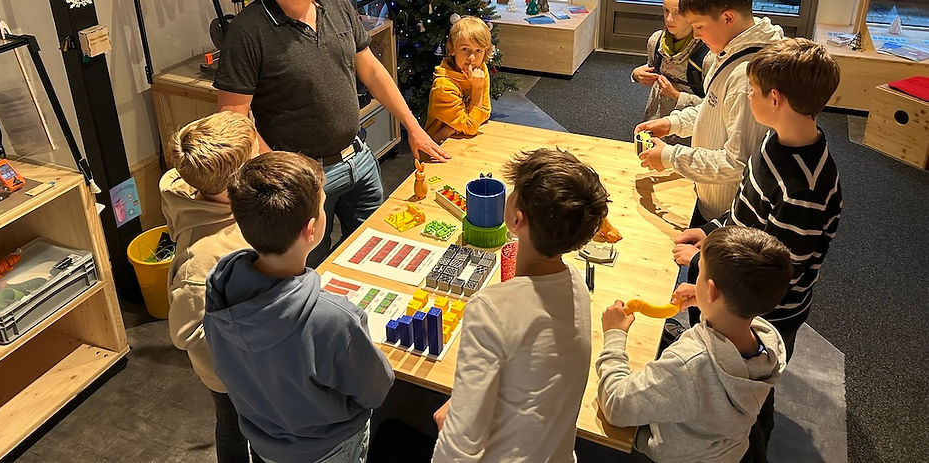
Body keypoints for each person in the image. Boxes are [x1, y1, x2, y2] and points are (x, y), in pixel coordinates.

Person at [214, 0, 449, 267]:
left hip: (359, 158)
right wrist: (286, 177)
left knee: (377, 253)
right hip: (304, 180)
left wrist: (412, 126)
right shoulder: (248, 33)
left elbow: (370, 69)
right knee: (311, 273)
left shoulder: (335, 2)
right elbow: (233, 119)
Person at [671, 39, 843, 461]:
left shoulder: (805, 187)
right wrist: (711, 234)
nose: (747, 97)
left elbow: (775, 272)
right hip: (733, 292)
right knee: (719, 383)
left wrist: (712, 276)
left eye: (751, 90)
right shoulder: (772, 142)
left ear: (776, 98)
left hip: (764, 312)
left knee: (748, 399)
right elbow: (747, 214)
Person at [203, 152, 395, 463]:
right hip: (330, 448)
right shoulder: (336, 319)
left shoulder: (219, 294)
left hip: (264, 445)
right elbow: (375, 390)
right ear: (311, 230)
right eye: (322, 207)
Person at [432, 148, 610, 462]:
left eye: (513, 192)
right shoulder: (578, 286)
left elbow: (459, 448)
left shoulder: (489, 309)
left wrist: (453, 422)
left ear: (517, 219)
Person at [596, 225, 792, 463]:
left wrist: (614, 335)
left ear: (712, 290)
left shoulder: (688, 365)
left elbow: (616, 404)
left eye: (699, 274)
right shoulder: (767, 347)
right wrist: (707, 303)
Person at [635, 0, 784, 226]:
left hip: (727, 211)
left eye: (699, 26)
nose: (696, 35)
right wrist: (673, 123)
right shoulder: (727, 50)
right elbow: (713, 109)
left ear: (728, 18)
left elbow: (737, 163)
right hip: (708, 191)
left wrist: (670, 156)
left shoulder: (746, 76)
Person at [161, 111, 258, 463]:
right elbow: (185, 330)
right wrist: (241, 346)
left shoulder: (213, 194)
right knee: (236, 427)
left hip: (250, 357)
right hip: (231, 373)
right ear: (239, 177)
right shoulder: (201, 261)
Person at [631, 0, 713, 126]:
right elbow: (652, 67)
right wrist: (637, 74)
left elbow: (714, 108)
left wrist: (676, 95)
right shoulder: (655, 41)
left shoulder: (708, 56)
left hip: (689, 129)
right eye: (665, 10)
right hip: (655, 118)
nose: (669, 19)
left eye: (678, 12)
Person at [424, 16, 493, 142]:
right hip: (438, 150)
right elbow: (471, 126)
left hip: (464, 141)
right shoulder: (443, 85)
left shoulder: (480, 70)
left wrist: (451, 129)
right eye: (465, 49)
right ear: (452, 49)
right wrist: (477, 89)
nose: (472, 57)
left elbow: (486, 112)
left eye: (478, 50)